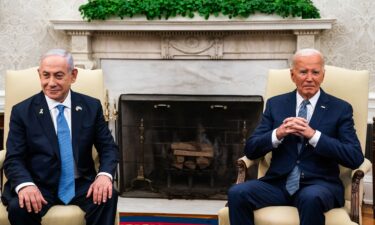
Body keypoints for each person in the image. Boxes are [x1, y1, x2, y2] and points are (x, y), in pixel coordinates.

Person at [228, 48, 364, 225]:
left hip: (319, 185)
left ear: (323, 75)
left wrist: (313, 135)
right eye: (303, 72)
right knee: (237, 192)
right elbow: (251, 149)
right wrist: (278, 133)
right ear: (292, 75)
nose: (309, 78)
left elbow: (354, 157)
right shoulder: (275, 104)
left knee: (311, 197)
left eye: (315, 72)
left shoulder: (340, 108)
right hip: (277, 184)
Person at [1, 49, 119, 225]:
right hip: (38, 183)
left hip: (80, 184)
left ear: (73, 75)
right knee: (20, 206)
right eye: (45, 75)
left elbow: (108, 147)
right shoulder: (22, 112)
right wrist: (25, 184)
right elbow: (14, 158)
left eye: (58, 76)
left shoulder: (91, 107)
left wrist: (104, 175)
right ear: (39, 75)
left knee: (107, 197)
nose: (51, 83)